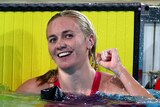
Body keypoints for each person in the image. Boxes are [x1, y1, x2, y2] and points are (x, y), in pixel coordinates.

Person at [16, 10, 154, 98]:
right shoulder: (33, 90)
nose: (59, 44)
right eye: (53, 39)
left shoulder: (112, 87)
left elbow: (150, 104)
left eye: (68, 35)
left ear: (90, 40)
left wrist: (120, 70)